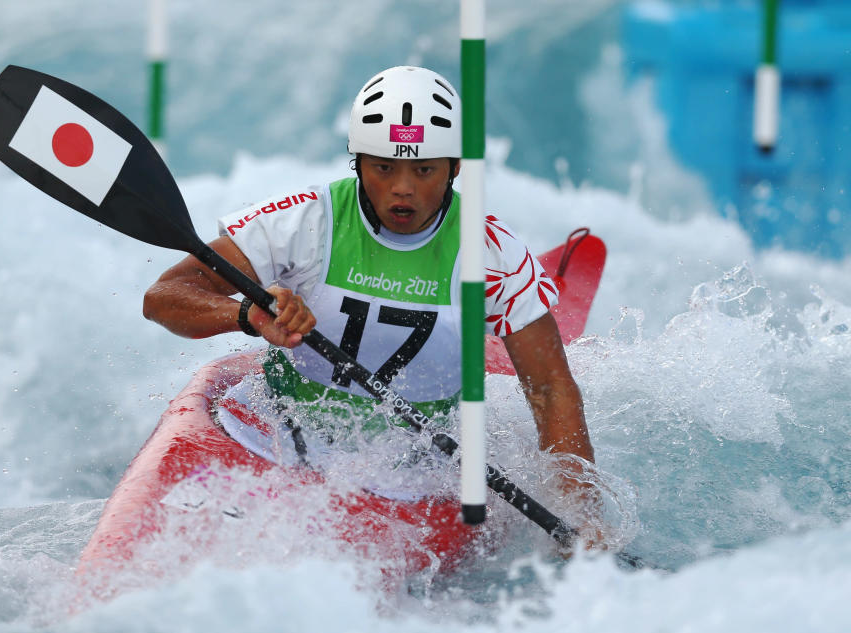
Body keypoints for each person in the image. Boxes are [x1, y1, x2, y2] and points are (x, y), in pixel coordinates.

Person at [143, 65, 600, 544]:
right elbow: (165, 297)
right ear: (357, 162)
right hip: (275, 438)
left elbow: (550, 387)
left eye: (424, 170)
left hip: (415, 470)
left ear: (455, 168)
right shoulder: (305, 220)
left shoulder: (491, 252)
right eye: (384, 167)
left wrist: (580, 514)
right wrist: (247, 316)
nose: (403, 188)